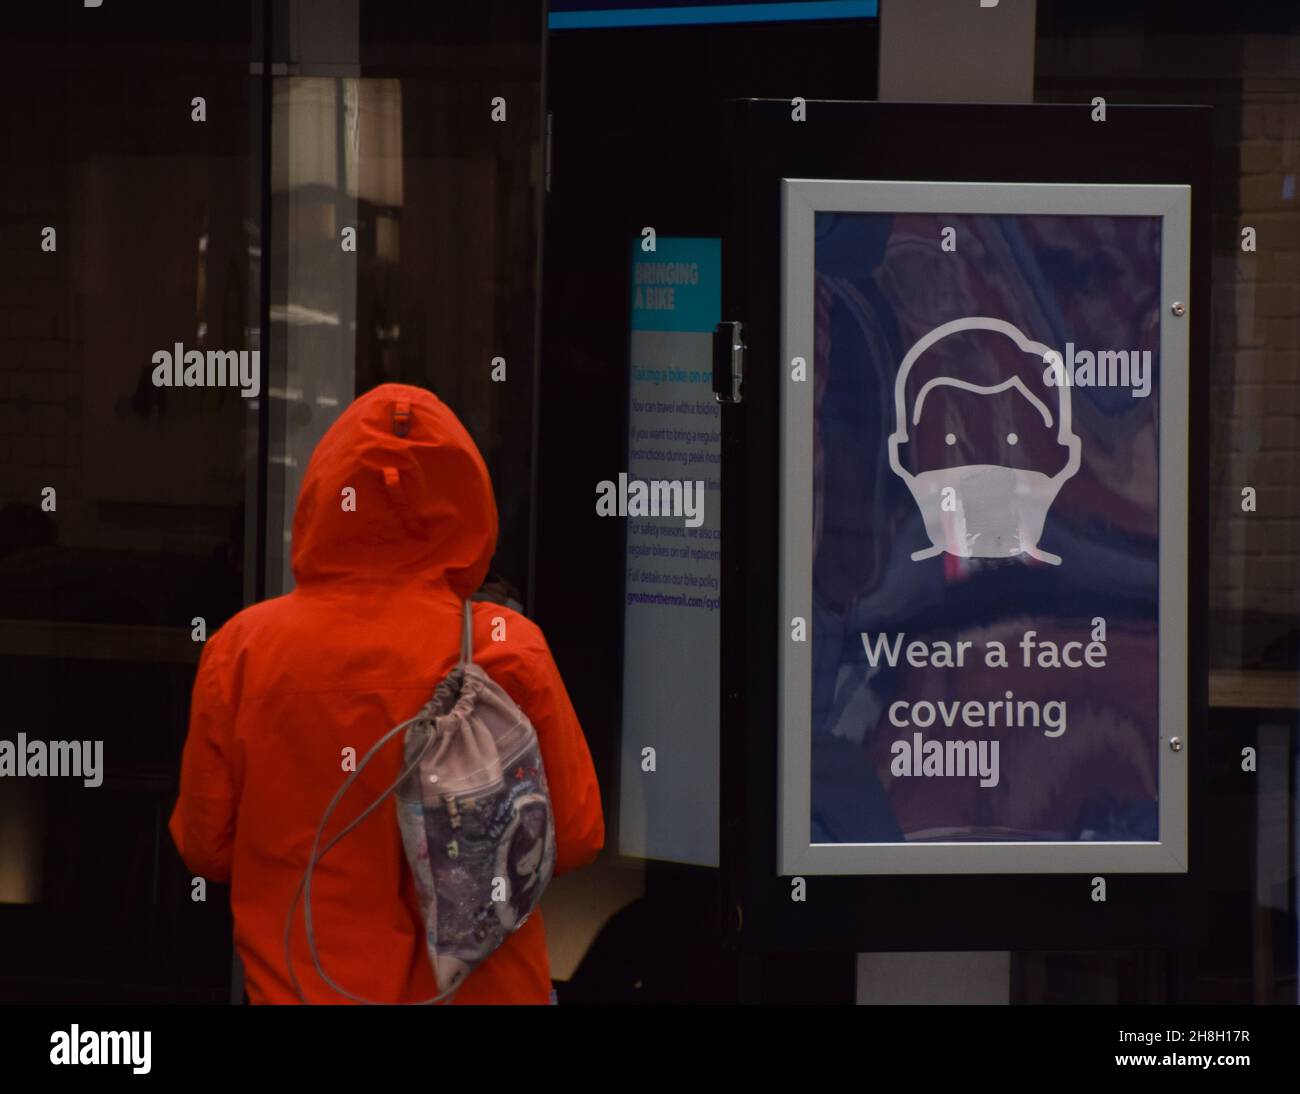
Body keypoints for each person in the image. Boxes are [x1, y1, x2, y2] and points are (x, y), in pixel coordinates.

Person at [168, 382, 605, 1004]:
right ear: (467, 503)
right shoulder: (507, 645)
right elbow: (578, 835)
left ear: (322, 495)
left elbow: (204, 847)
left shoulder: (241, 651)